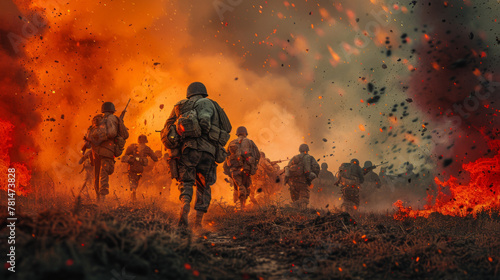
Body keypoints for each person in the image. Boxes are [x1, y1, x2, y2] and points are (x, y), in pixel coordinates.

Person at [161, 82, 231, 229]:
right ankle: (198, 222)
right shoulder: (208, 103)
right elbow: (214, 124)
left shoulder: (180, 105)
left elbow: (168, 127)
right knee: (204, 185)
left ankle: (185, 203)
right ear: (203, 92)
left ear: (189, 93)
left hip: (188, 149)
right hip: (208, 152)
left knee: (186, 181)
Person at [82, 101, 129, 202]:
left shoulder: (97, 119)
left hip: (95, 151)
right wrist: (121, 123)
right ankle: (102, 199)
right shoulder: (114, 118)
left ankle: (98, 197)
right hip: (107, 150)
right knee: (104, 174)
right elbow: (125, 135)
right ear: (112, 110)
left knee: (97, 174)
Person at [223, 126, 260, 210]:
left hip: (234, 170)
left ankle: (240, 206)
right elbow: (257, 155)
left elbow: (226, 159)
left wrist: (230, 173)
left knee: (239, 186)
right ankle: (242, 207)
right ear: (245, 133)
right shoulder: (250, 142)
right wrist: (254, 166)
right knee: (245, 187)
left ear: (237, 133)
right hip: (246, 169)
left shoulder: (231, 143)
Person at [122, 135, 158, 200]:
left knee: (131, 180)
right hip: (140, 169)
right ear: (145, 141)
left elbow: (124, 156)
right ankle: (134, 192)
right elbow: (155, 158)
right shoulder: (147, 149)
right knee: (136, 181)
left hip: (131, 167)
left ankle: (133, 192)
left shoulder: (132, 147)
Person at [284, 144, 320, 209]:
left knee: (295, 199)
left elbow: (287, 167)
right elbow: (315, 168)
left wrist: (287, 178)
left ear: (300, 150)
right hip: (303, 182)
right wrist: (310, 179)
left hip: (293, 182)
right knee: (304, 199)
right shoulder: (309, 157)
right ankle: (303, 214)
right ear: (307, 150)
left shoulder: (294, 157)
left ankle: (295, 213)